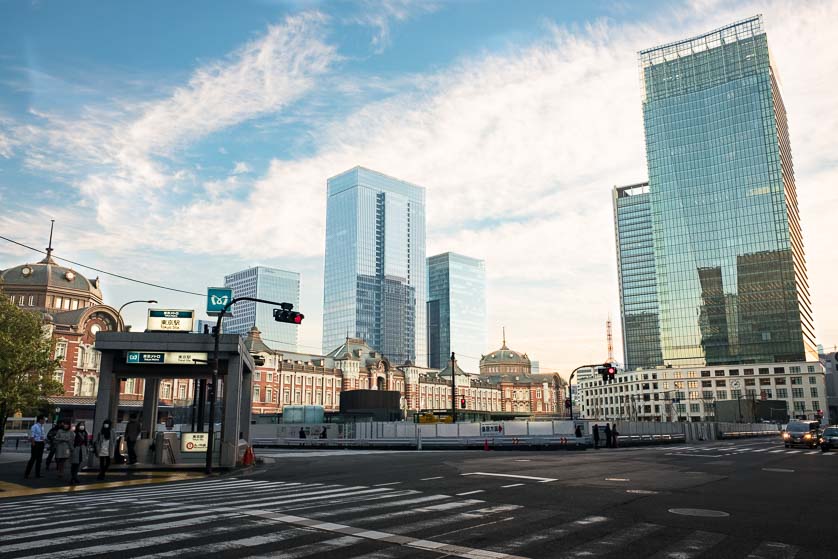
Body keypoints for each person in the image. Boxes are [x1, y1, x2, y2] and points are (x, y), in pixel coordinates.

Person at [24, 415, 47, 479]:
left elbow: (42, 435)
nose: (44, 421)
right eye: (44, 419)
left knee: (39, 460)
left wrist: (44, 441)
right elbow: (32, 435)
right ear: (40, 420)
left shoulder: (42, 427)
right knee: (33, 459)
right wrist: (33, 443)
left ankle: (37, 474)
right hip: (36, 444)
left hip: (41, 443)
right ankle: (27, 474)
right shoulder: (34, 426)